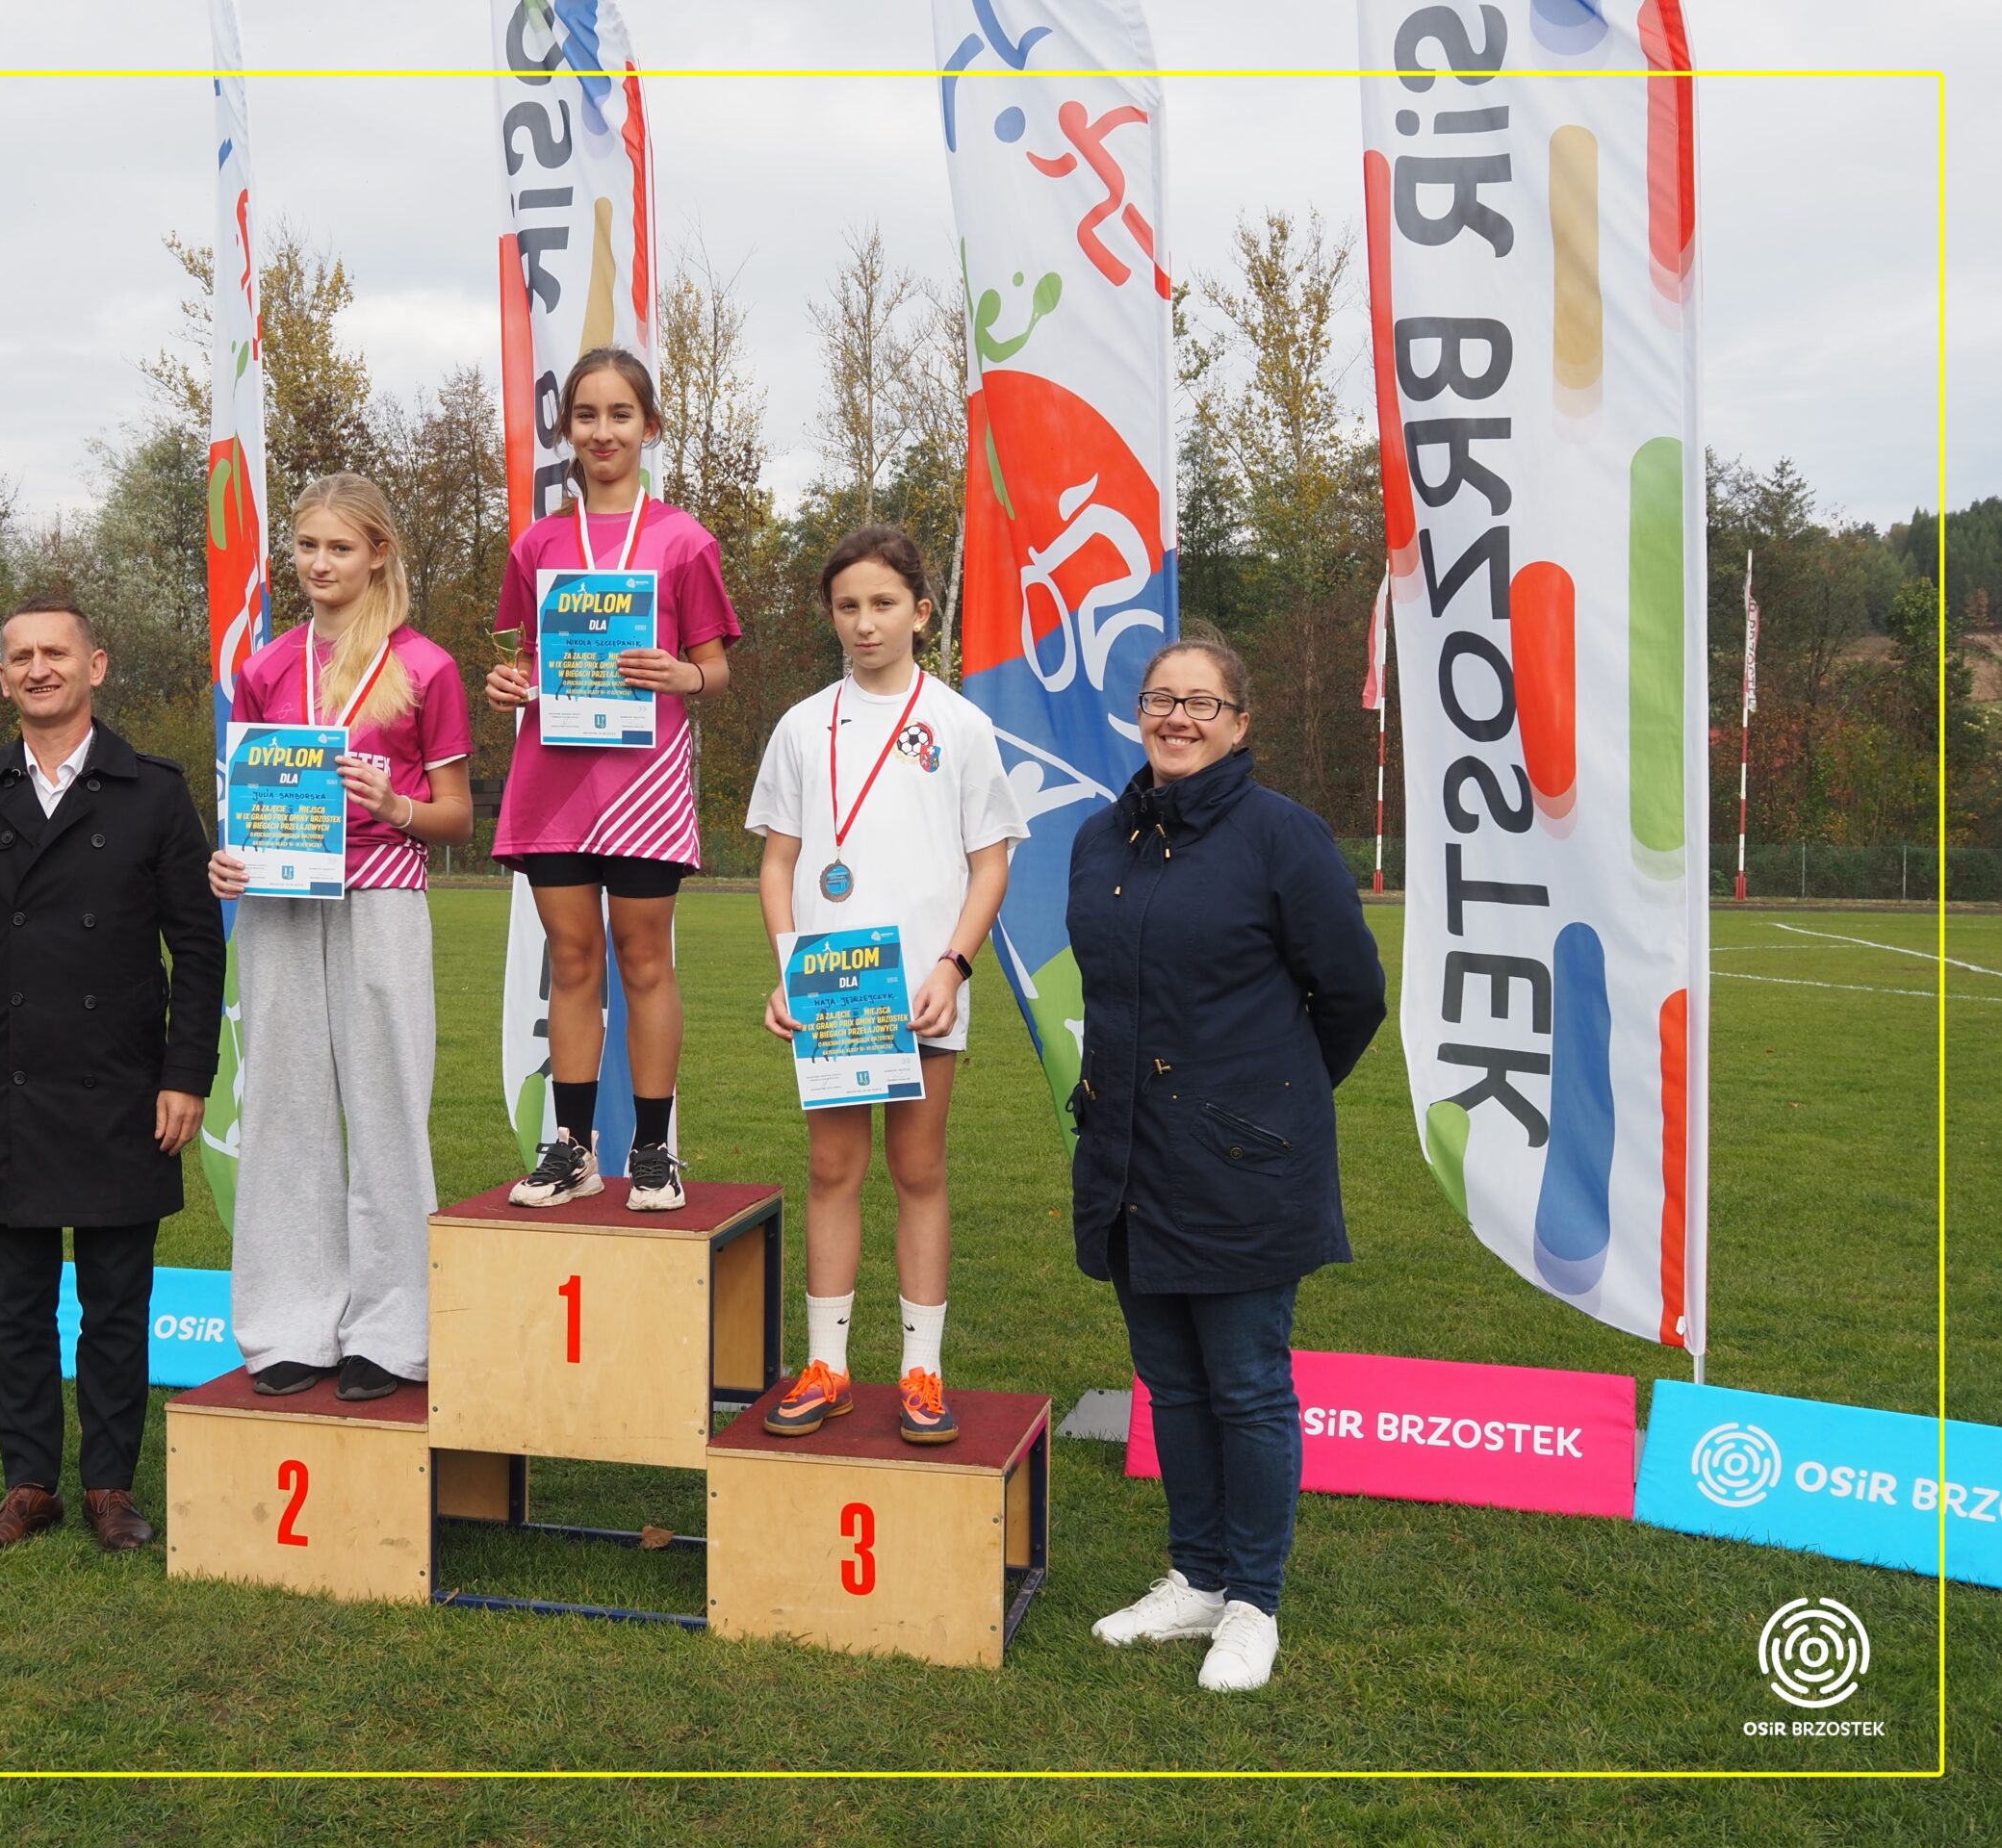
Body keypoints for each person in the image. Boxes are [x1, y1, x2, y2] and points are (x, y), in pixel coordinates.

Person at [1065, 636, 1385, 1691]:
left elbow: (1350, 997)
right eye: (1161, 699)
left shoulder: (1283, 836)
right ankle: (1196, 1576)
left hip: (1243, 1161)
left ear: (1241, 723)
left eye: (1202, 703)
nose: (1178, 718)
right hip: (1129, 1156)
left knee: (1246, 1385)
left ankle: (1252, 1600)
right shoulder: (1101, 839)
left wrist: (1270, 1098)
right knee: (1171, 1380)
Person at [0, 594, 222, 1561]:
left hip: (124, 1085)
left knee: (118, 1303)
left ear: (96, 666)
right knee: (19, 1304)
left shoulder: (154, 792)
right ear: (4, 677)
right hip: (4, 1087)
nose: (38, 668)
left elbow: (197, 948)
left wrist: (186, 1074)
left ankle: (110, 1486)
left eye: (55, 651)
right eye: (20, 656)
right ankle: (29, 1485)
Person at [746, 526, 1025, 1445]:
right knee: (832, 1170)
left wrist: (954, 964)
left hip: (921, 990)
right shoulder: (801, 725)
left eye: (883, 604)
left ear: (921, 612)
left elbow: (991, 864)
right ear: (831, 615)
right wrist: (788, 969)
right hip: (834, 988)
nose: (865, 623)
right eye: (847, 606)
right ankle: (826, 1366)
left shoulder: (959, 724)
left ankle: (920, 1372)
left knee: (919, 1170)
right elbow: (778, 863)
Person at [209, 474, 474, 1399]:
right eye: (307, 546)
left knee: (387, 1109)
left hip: (382, 897)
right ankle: (290, 1323)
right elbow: (248, 801)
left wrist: (397, 806)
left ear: (378, 554)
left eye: (339, 548)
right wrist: (228, 861)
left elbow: (456, 816)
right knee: (283, 1108)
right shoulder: (266, 666)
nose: (319, 564)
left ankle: (392, 1331)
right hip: (280, 903)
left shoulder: (426, 666)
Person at [485, 346, 740, 1212]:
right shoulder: (538, 544)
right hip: (554, 783)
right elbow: (524, 659)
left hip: (645, 785)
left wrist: (684, 674)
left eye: (620, 415)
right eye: (587, 415)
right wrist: (509, 684)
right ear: (567, 430)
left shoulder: (684, 540)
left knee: (644, 959)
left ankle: (655, 1150)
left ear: (649, 426)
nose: (603, 431)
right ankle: (572, 1149)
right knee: (571, 960)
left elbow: (715, 669)